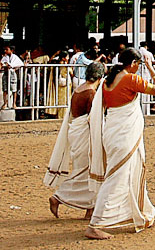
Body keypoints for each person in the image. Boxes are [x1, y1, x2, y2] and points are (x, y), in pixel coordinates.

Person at [86, 48, 155, 240]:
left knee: (132, 171)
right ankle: (95, 224)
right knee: (116, 176)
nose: (139, 68)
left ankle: (145, 213)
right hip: (123, 135)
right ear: (133, 63)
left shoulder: (107, 81)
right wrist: (151, 69)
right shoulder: (130, 79)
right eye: (138, 65)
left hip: (114, 132)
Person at [46, 62, 105, 219]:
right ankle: (59, 197)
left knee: (88, 170)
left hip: (76, 132)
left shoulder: (79, 89)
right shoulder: (91, 93)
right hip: (84, 134)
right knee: (86, 171)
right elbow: (93, 118)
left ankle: (90, 209)